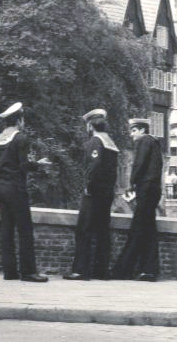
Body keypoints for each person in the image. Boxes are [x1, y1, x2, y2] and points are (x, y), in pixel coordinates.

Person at [0, 102, 48, 282]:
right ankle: (28, 272)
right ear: (19, 120)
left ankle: (10, 272)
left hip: (1, 188)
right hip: (16, 188)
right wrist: (38, 165)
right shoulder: (21, 139)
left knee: (6, 230)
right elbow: (23, 165)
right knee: (24, 230)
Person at [64, 109, 119, 281]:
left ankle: (81, 270)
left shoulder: (95, 142)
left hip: (93, 192)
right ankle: (101, 271)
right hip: (107, 192)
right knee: (103, 231)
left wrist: (88, 186)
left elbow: (93, 167)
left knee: (84, 229)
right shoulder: (111, 143)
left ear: (90, 125)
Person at [112, 118, 164, 282]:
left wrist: (131, 183)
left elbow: (139, 164)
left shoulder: (144, 141)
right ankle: (149, 270)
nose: (131, 134)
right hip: (153, 190)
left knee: (138, 229)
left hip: (146, 190)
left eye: (134, 130)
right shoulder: (154, 143)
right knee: (148, 230)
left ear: (142, 130)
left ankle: (123, 270)